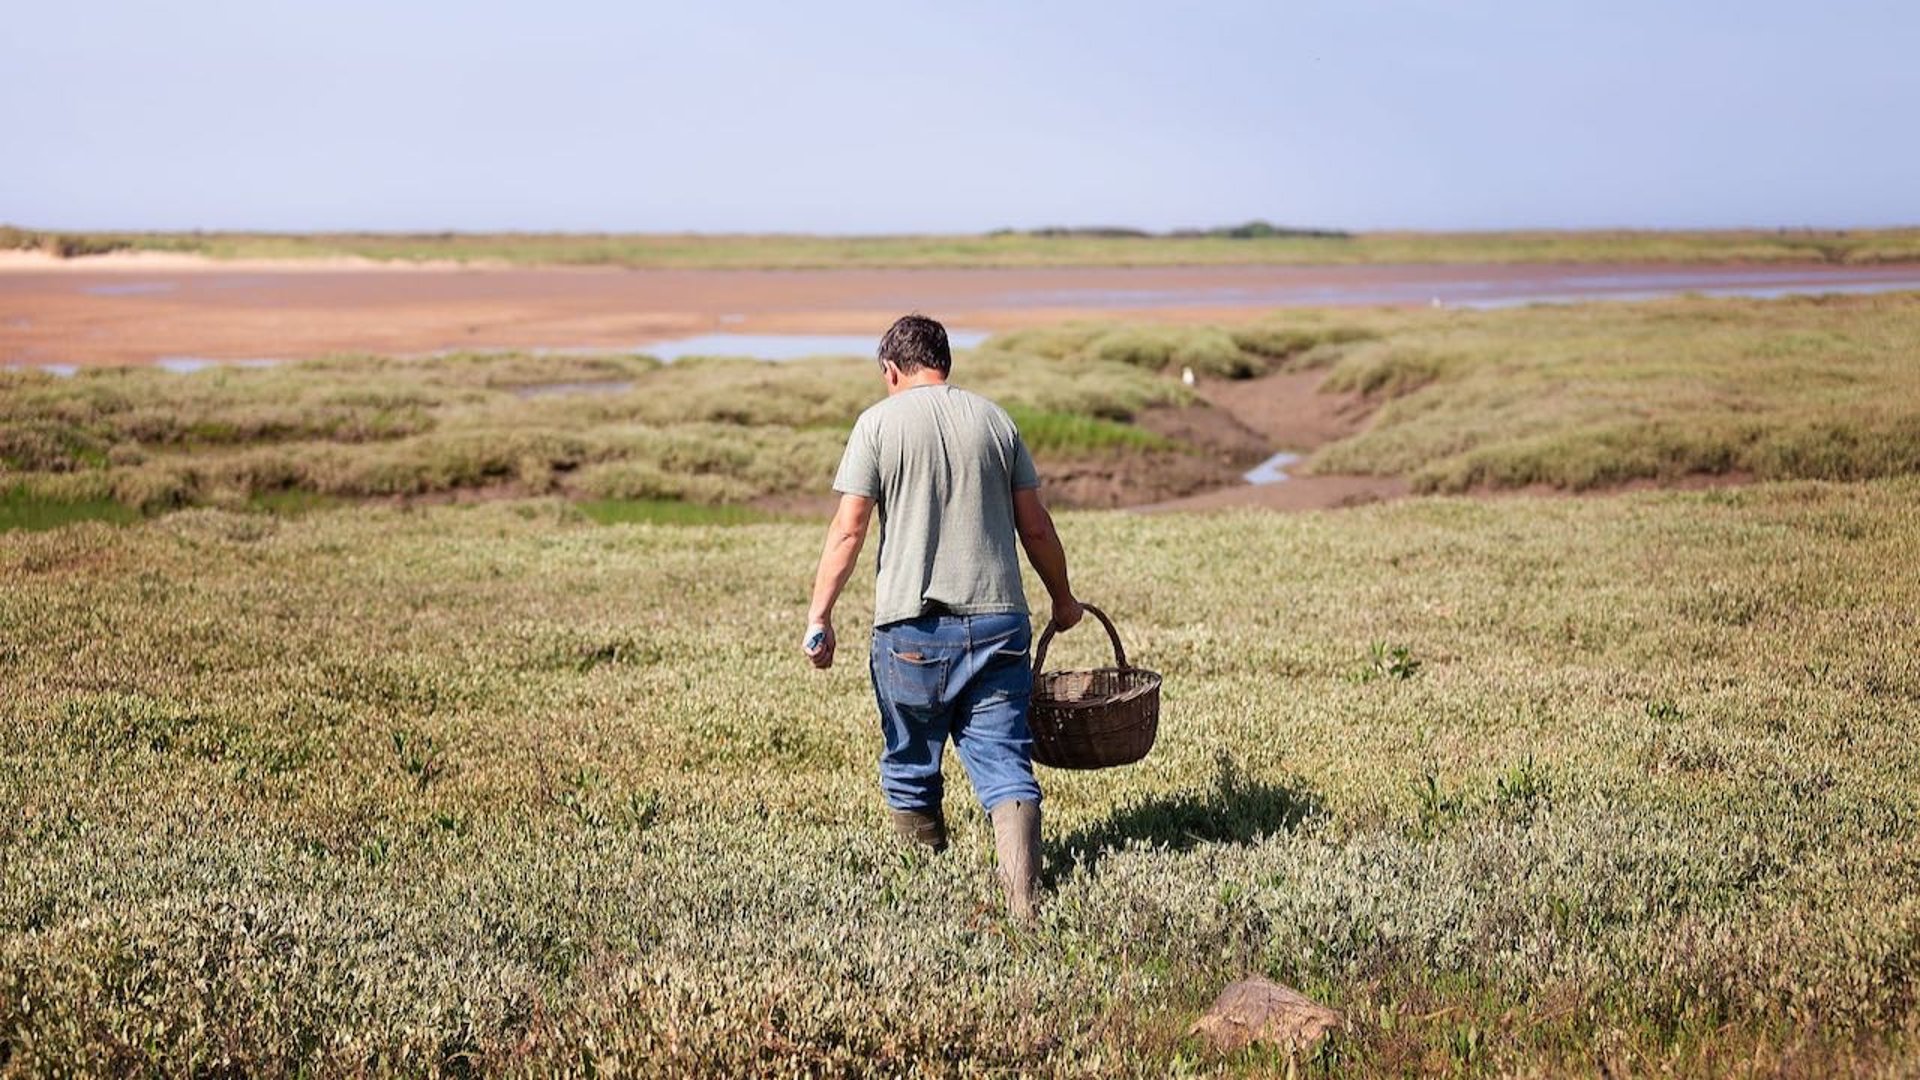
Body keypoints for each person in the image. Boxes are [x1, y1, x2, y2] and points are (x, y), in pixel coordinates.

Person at [803, 313, 1083, 921]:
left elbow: (849, 530)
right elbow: (1035, 525)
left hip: (910, 631)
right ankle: (1024, 907)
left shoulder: (877, 424)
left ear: (891, 369)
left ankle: (923, 910)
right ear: (944, 363)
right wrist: (1063, 600)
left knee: (910, 763)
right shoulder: (995, 420)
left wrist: (819, 615)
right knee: (1007, 764)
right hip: (1000, 623)